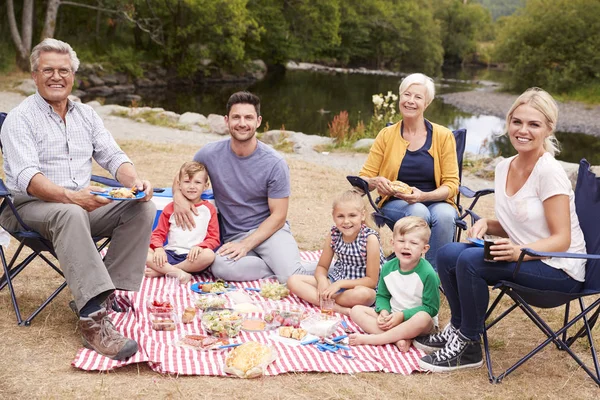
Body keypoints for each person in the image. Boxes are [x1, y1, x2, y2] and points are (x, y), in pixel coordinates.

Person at [0, 39, 156, 361]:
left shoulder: (86, 114)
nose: (56, 76)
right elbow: (29, 178)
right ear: (34, 75)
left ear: (73, 75)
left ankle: (103, 292)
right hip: (27, 208)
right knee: (69, 214)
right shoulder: (21, 118)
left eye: (64, 70)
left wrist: (135, 181)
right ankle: (94, 322)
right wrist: (72, 198)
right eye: (48, 70)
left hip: (79, 206)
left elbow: (113, 156)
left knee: (142, 207)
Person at [416, 88, 587, 373]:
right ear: (508, 123)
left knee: (471, 262)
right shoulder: (505, 166)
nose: (523, 130)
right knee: (447, 253)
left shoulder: (550, 172)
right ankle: (458, 328)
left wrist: (519, 251)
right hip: (526, 258)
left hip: (560, 271)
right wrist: (488, 224)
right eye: (517, 122)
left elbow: (562, 240)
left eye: (533, 124)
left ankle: (469, 345)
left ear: (549, 128)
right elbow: (519, 223)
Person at [172, 91, 310, 282]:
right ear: (226, 120)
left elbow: (279, 216)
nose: (242, 123)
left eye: (248, 117)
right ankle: (279, 268)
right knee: (220, 267)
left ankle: (308, 270)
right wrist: (178, 198)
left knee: (294, 278)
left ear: (258, 121)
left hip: (270, 231)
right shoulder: (209, 154)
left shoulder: (275, 163)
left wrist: (246, 245)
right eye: (236, 117)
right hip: (234, 234)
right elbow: (182, 176)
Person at [358, 73, 460, 270]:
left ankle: (432, 274)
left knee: (446, 215)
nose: (411, 101)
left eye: (418, 97)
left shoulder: (444, 136)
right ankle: (412, 270)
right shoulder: (386, 135)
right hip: (396, 202)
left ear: (427, 103)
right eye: (407, 95)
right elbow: (363, 178)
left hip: (436, 199)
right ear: (400, 97)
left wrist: (424, 196)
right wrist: (376, 181)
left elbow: (452, 185)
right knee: (418, 211)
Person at [349, 216, 440, 352]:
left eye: (414, 243)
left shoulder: (428, 274)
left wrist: (402, 316)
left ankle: (375, 339)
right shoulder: (387, 268)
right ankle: (398, 338)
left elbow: (431, 308)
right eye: (401, 241)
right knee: (356, 310)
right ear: (392, 242)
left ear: (424, 248)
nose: (406, 246)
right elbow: (382, 296)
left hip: (416, 320)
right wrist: (384, 312)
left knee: (423, 318)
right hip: (393, 314)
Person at [287, 190, 384, 315]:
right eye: (340, 216)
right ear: (333, 216)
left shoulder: (370, 239)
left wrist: (339, 284)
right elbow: (322, 267)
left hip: (362, 287)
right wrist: (322, 281)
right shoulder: (334, 234)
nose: (346, 221)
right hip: (336, 281)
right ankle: (341, 309)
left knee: (363, 295)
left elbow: (371, 281)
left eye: (352, 215)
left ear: (363, 215)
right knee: (293, 281)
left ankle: (325, 300)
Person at [146, 161, 219, 283]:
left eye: (197, 182)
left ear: (205, 186)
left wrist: (200, 247)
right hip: (170, 254)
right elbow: (158, 234)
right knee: (143, 251)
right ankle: (178, 273)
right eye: (187, 182)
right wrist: (159, 249)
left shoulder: (209, 209)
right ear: (179, 184)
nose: (192, 186)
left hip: (193, 259)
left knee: (209, 255)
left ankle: (166, 271)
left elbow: (214, 238)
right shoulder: (171, 208)